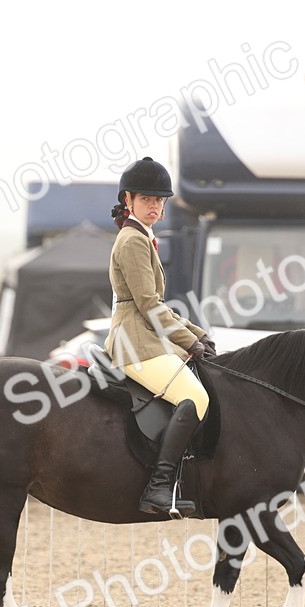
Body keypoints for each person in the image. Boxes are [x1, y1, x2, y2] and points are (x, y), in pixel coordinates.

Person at [106, 157, 215, 517]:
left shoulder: (142, 236)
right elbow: (150, 305)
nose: (154, 205)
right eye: (146, 199)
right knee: (194, 396)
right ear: (128, 199)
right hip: (134, 341)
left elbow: (158, 306)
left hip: (144, 336)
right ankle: (159, 487)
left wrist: (199, 334)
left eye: (159, 200)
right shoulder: (133, 240)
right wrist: (190, 342)